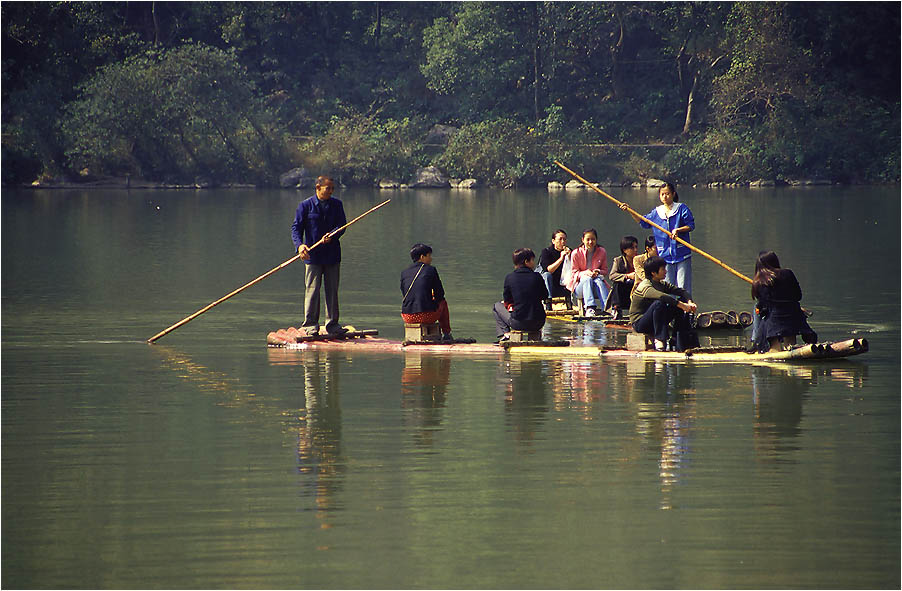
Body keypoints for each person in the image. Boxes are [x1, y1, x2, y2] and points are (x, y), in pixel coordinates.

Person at [291, 175, 348, 336]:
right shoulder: (305, 206)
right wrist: (300, 246)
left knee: (332, 290)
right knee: (312, 289)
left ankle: (332, 325)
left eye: (332, 188)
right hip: (313, 256)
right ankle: (310, 325)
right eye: (327, 188)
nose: (330, 191)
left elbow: (342, 226)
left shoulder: (337, 205)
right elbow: (296, 229)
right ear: (318, 188)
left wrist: (333, 235)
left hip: (332, 255)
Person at [621, 182, 695, 296]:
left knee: (683, 286)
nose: (665, 196)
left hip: (681, 253)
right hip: (664, 255)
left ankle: (686, 311)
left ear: (673, 194)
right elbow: (643, 222)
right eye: (662, 194)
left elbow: (691, 225)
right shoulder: (657, 212)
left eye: (667, 194)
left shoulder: (681, 209)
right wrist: (630, 210)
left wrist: (678, 230)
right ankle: (669, 311)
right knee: (667, 286)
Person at [749, 251, 817, 353]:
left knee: (758, 310)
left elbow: (763, 305)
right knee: (790, 345)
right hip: (794, 316)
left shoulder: (758, 282)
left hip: (774, 320)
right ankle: (792, 353)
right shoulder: (788, 273)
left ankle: (756, 342)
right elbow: (798, 296)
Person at [629, 255, 698, 351]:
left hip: (655, 319)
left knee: (678, 305)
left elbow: (682, 291)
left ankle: (675, 338)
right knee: (660, 303)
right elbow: (662, 296)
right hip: (640, 323)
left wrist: (689, 303)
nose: (665, 271)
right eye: (663, 269)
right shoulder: (645, 286)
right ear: (653, 273)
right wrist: (682, 305)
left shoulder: (661, 284)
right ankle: (659, 339)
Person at [401, 243, 453, 341]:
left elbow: (405, 294)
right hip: (425, 316)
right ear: (422, 257)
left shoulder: (404, 272)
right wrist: (433, 299)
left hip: (407, 316)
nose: (431, 259)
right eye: (429, 256)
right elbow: (440, 295)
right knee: (443, 303)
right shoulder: (431, 270)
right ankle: (447, 334)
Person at [493, 248, 548, 341]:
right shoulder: (537, 276)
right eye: (532, 260)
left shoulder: (510, 278)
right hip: (538, 322)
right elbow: (545, 295)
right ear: (526, 262)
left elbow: (507, 300)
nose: (533, 263)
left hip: (518, 323)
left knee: (496, 306)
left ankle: (505, 334)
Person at [565, 228, 609, 317]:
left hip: (595, 285)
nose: (590, 242)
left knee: (599, 281)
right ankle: (590, 308)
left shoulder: (602, 251)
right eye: (588, 239)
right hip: (580, 287)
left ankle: (607, 308)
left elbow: (605, 270)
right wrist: (585, 273)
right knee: (587, 278)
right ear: (583, 240)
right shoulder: (576, 253)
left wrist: (598, 271)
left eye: (593, 239)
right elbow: (574, 273)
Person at [605, 235, 639, 319]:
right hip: (623, 292)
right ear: (625, 250)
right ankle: (616, 308)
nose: (635, 250)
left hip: (636, 290)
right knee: (617, 283)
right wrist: (627, 276)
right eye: (632, 248)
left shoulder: (639, 260)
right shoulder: (618, 261)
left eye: (636, 247)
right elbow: (612, 276)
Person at [538, 229, 572, 310]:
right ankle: (548, 303)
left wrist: (570, 257)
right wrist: (561, 259)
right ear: (553, 241)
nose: (563, 242)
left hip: (562, 285)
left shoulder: (570, 251)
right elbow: (549, 270)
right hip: (547, 287)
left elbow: (574, 268)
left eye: (564, 239)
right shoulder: (546, 252)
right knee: (547, 275)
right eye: (560, 239)